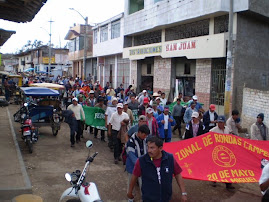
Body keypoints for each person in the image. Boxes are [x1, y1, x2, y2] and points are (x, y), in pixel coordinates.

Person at [127, 136, 187, 202]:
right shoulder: (142, 161)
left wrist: (183, 193)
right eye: (148, 147)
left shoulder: (170, 159)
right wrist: (130, 192)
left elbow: (178, 174)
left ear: (160, 148)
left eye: (152, 148)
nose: (149, 150)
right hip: (148, 199)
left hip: (166, 198)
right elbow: (134, 176)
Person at [210, 115, 234, 190]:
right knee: (216, 166)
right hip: (217, 151)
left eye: (221, 122)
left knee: (227, 168)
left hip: (226, 151)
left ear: (224, 123)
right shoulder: (213, 130)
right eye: (219, 122)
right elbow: (208, 139)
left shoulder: (227, 130)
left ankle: (228, 184)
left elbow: (231, 138)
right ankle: (214, 180)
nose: (220, 124)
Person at [126, 125, 150, 194]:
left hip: (143, 165)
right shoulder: (131, 142)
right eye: (144, 135)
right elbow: (131, 156)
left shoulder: (145, 140)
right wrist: (141, 164)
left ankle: (144, 198)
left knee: (143, 183)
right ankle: (130, 198)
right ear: (139, 132)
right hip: (132, 167)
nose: (145, 136)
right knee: (131, 183)